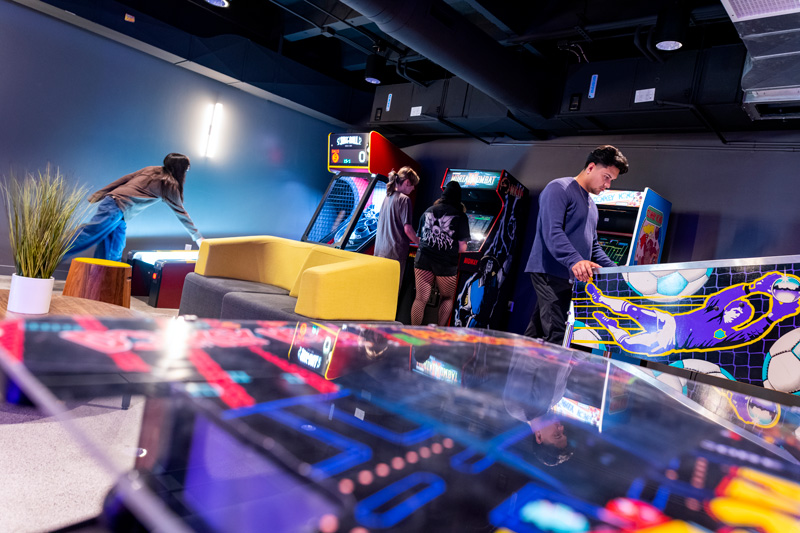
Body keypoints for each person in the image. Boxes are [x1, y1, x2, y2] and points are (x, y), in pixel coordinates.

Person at [524, 145, 629, 344]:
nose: (608, 185)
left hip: (568, 275)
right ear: (590, 167)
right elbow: (552, 232)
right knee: (555, 334)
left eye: (611, 180)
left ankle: (517, 372)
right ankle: (547, 375)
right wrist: (576, 260)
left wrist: (616, 271)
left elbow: (594, 247)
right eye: (606, 177)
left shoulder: (592, 206)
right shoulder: (559, 188)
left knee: (538, 332)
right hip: (548, 271)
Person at [587, 272, 800, 356]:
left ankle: (608, 324)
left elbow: (752, 333)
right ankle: (601, 299)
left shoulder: (727, 334)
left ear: (741, 323)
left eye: (743, 317)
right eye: (739, 308)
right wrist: (752, 288)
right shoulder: (714, 308)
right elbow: (726, 297)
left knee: (629, 344)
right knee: (634, 310)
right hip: (669, 321)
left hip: (668, 343)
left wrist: (773, 315)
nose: (738, 313)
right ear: (731, 307)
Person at [68, 153, 203, 262]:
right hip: (115, 208)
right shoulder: (169, 184)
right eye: (187, 168)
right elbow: (182, 214)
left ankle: (104, 283)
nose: (187, 171)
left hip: (118, 211)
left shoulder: (152, 169)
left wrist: (102, 192)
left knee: (114, 249)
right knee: (88, 235)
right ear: (180, 169)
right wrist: (198, 238)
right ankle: (51, 252)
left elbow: (124, 179)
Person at [411, 181, 470, 326]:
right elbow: (463, 248)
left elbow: (420, 237)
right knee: (447, 298)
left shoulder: (428, 210)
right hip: (445, 263)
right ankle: (439, 332)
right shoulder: (460, 216)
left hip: (423, 258)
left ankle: (413, 331)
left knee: (420, 299)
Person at [374, 166, 420, 286]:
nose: (414, 188)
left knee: (379, 289)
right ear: (407, 182)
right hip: (394, 254)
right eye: (413, 184)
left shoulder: (387, 196)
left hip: (379, 252)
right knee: (392, 292)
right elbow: (408, 229)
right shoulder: (405, 200)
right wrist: (420, 242)